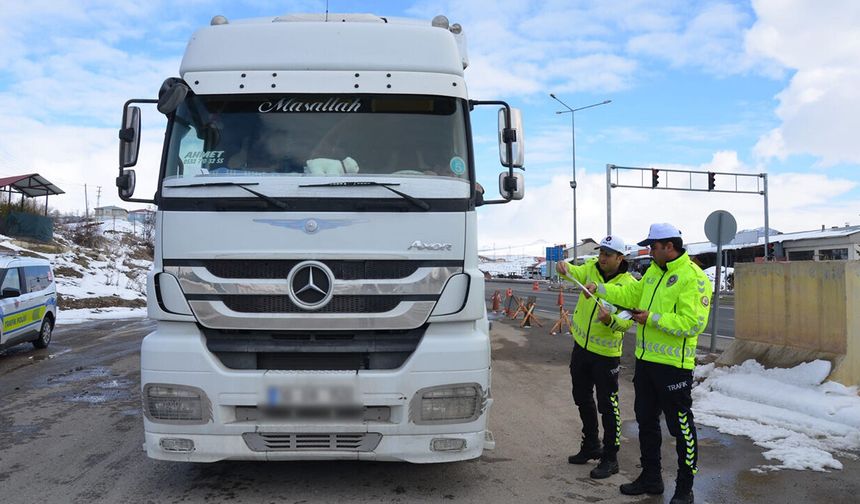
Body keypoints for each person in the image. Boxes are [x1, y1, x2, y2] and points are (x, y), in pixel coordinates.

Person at [586, 223, 712, 504]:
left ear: (669, 246)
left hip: (673, 368)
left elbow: (694, 324)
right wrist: (601, 289)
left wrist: (652, 318)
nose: (649, 251)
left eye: (653, 247)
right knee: (646, 423)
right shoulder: (653, 272)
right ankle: (651, 478)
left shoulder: (693, 277)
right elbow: (631, 296)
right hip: (645, 364)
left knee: (681, 429)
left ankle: (684, 487)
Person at [556, 235, 636, 479]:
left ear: (620, 258)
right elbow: (574, 273)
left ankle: (610, 458)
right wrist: (564, 268)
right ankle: (591, 444)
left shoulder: (629, 285)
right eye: (601, 253)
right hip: (582, 349)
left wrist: (610, 320)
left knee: (608, 406)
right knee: (581, 397)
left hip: (606, 356)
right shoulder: (591, 268)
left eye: (608, 255)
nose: (602, 258)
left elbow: (626, 322)